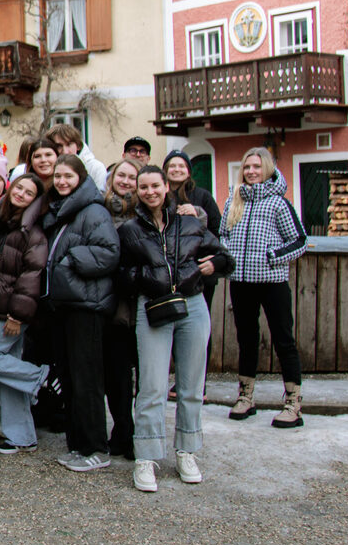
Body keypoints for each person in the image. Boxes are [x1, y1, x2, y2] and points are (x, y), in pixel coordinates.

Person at [121, 165, 234, 491]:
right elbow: (121, 273)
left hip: (192, 305)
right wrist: (145, 279)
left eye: (155, 185)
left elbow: (223, 256)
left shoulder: (189, 222)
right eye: (144, 187)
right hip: (153, 306)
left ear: (166, 186)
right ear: (137, 191)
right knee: (152, 386)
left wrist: (215, 264)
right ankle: (146, 455)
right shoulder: (130, 230)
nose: (150, 192)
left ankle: (186, 450)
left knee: (190, 385)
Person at [39, 154, 119, 473]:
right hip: (65, 304)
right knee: (70, 378)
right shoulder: (60, 210)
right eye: (57, 176)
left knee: (86, 378)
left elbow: (108, 252)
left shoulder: (93, 210)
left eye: (68, 176)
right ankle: (78, 445)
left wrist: (69, 261)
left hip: (87, 305)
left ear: (81, 178)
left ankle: (96, 447)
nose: (61, 181)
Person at [220, 148, 308, 427]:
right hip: (241, 282)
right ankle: (246, 397)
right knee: (246, 340)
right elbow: (223, 233)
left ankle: (293, 403)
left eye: (257, 166)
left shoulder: (279, 204)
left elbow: (299, 240)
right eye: (247, 167)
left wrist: (272, 256)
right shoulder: (233, 201)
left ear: (267, 169)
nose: (251, 172)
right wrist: (228, 254)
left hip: (272, 283)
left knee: (284, 340)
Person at [0, 173, 51, 455]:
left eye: (29, 193)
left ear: (35, 201)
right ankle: (21, 436)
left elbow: (32, 275)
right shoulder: (2, 222)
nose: (21, 194)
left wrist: (17, 315)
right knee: (8, 370)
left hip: (12, 312)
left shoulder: (32, 232)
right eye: (19, 188)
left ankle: (38, 377)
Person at [101, 157, 142, 459]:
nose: (126, 181)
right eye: (121, 176)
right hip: (110, 302)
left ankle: (142, 430)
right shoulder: (100, 211)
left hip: (140, 300)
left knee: (144, 372)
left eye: (132, 177)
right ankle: (122, 428)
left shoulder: (147, 212)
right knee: (116, 373)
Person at [162, 150, 222, 308]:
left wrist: (198, 216)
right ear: (165, 171)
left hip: (200, 270)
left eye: (181, 166)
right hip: (169, 273)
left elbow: (217, 230)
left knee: (201, 321)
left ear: (188, 171)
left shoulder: (203, 196)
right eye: (172, 165)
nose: (177, 169)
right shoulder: (159, 197)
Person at [46, 122, 108, 191]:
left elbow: (101, 196)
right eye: (59, 146)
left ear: (78, 145)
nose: (65, 151)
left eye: (69, 145)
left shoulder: (95, 168)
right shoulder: (47, 168)